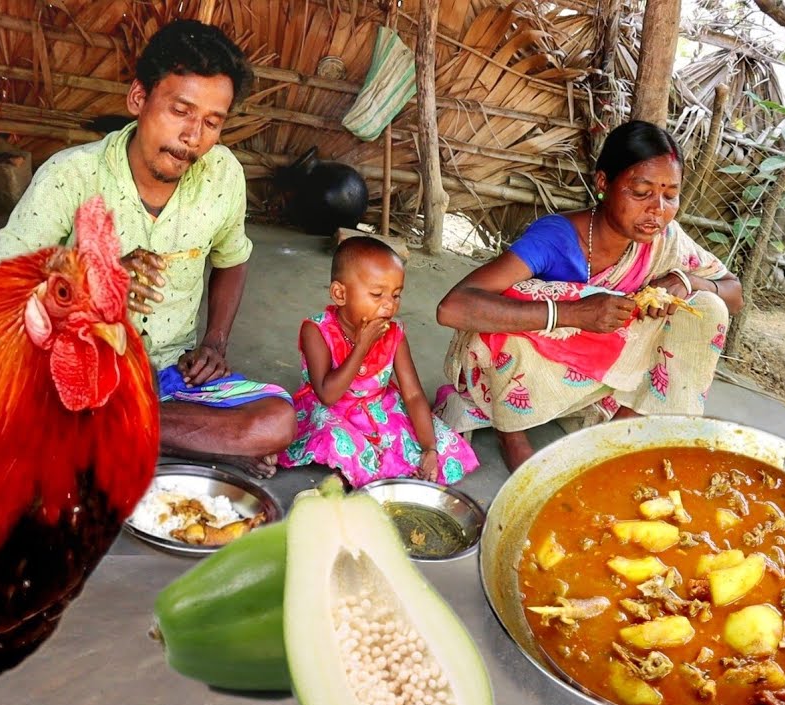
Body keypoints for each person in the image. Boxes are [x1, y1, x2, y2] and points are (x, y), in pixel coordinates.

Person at [0, 19, 296, 478]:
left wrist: (214, 343)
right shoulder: (71, 175)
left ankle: (108, 429)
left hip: (170, 376)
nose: (193, 136)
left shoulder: (223, 176)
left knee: (276, 421)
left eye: (211, 122)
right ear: (139, 99)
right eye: (180, 111)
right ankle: (184, 441)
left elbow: (233, 258)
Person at [434, 120, 744, 471]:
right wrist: (572, 313)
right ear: (603, 183)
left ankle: (618, 432)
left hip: (601, 365)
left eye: (670, 195)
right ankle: (512, 433)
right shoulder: (556, 238)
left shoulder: (666, 240)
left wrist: (686, 280)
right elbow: (453, 308)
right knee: (516, 301)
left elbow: (733, 294)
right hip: (532, 366)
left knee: (706, 307)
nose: (657, 209)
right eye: (641, 192)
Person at [278, 237, 479, 487]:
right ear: (340, 294)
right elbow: (327, 395)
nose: (389, 305)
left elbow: (413, 395)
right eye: (376, 294)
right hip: (330, 411)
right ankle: (360, 469)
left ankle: (369, 469)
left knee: (442, 442)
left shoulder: (394, 333)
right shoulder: (317, 330)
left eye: (396, 295)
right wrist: (362, 346)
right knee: (336, 439)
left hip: (379, 409)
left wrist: (429, 448)